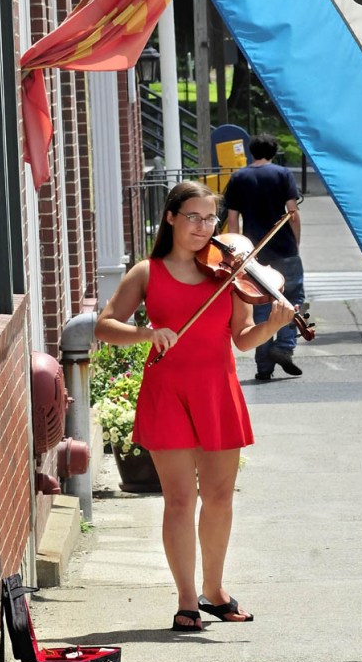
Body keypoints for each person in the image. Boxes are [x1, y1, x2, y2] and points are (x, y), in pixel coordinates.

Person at [94, 180, 295, 633]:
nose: (204, 228)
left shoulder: (228, 273)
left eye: (210, 219)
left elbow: (243, 341)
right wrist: (147, 333)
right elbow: (105, 326)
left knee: (220, 499)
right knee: (180, 501)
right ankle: (187, 598)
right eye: (194, 217)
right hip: (168, 391)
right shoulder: (147, 272)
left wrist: (273, 326)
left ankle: (215, 591)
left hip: (217, 389)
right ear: (171, 218)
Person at [223, 133, 306, 381]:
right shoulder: (282, 174)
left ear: (252, 151)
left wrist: (235, 249)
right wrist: (296, 242)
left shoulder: (239, 177)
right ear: (273, 151)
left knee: (260, 307)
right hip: (284, 248)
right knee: (291, 298)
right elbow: (292, 212)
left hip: (252, 251)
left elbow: (232, 218)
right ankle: (284, 346)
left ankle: (264, 367)